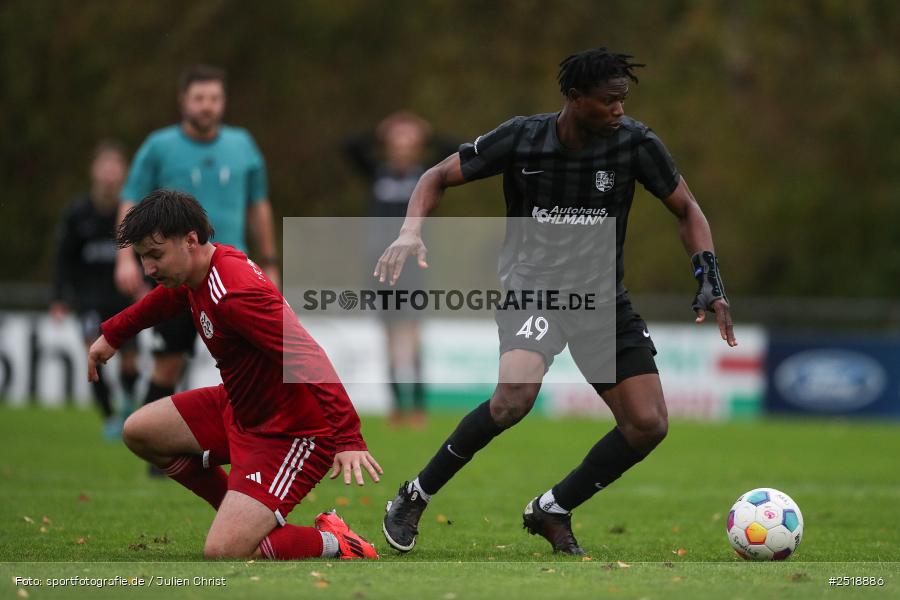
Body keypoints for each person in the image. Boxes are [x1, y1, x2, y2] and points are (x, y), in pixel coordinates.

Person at [375, 47, 736, 556]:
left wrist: (708, 275)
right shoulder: (523, 138)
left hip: (603, 301)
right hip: (534, 292)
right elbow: (435, 176)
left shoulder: (635, 143)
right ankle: (415, 494)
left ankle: (553, 508)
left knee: (647, 424)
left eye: (623, 100)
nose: (618, 111)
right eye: (608, 101)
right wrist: (411, 231)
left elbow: (687, 209)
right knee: (513, 399)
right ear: (574, 97)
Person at [89, 189, 382, 559]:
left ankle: (337, 543)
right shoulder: (200, 272)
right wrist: (114, 333)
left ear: (191, 240)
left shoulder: (235, 292)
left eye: (155, 255)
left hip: (291, 432)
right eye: (143, 257)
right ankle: (239, 512)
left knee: (224, 552)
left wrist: (348, 437)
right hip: (242, 409)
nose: (148, 269)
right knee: (140, 431)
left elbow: (307, 356)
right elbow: (168, 299)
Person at [114, 65, 280, 466]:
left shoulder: (242, 144)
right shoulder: (159, 146)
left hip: (230, 273)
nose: (207, 107)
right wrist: (126, 258)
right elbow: (132, 200)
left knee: (256, 365)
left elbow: (258, 205)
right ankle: (157, 453)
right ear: (183, 101)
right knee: (169, 362)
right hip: (178, 277)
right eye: (199, 98)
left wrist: (270, 261)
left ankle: (264, 443)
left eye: (214, 99)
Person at [343, 111, 457, 428]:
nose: (403, 145)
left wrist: (427, 132)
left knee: (414, 336)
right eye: (397, 139)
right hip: (380, 267)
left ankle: (419, 407)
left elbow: (459, 149)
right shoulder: (377, 174)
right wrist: (380, 132)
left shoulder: (427, 176)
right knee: (390, 337)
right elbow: (349, 147)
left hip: (414, 266)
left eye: (409, 139)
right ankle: (397, 406)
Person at [50, 140, 139, 439]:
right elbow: (63, 258)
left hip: (123, 296)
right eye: (105, 166)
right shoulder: (78, 214)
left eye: (116, 167)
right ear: (94, 171)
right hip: (89, 298)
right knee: (93, 354)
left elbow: (146, 253)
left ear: (124, 172)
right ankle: (109, 417)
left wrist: (148, 286)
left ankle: (127, 400)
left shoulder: (131, 213)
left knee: (130, 359)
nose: (110, 174)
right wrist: (59, 297)